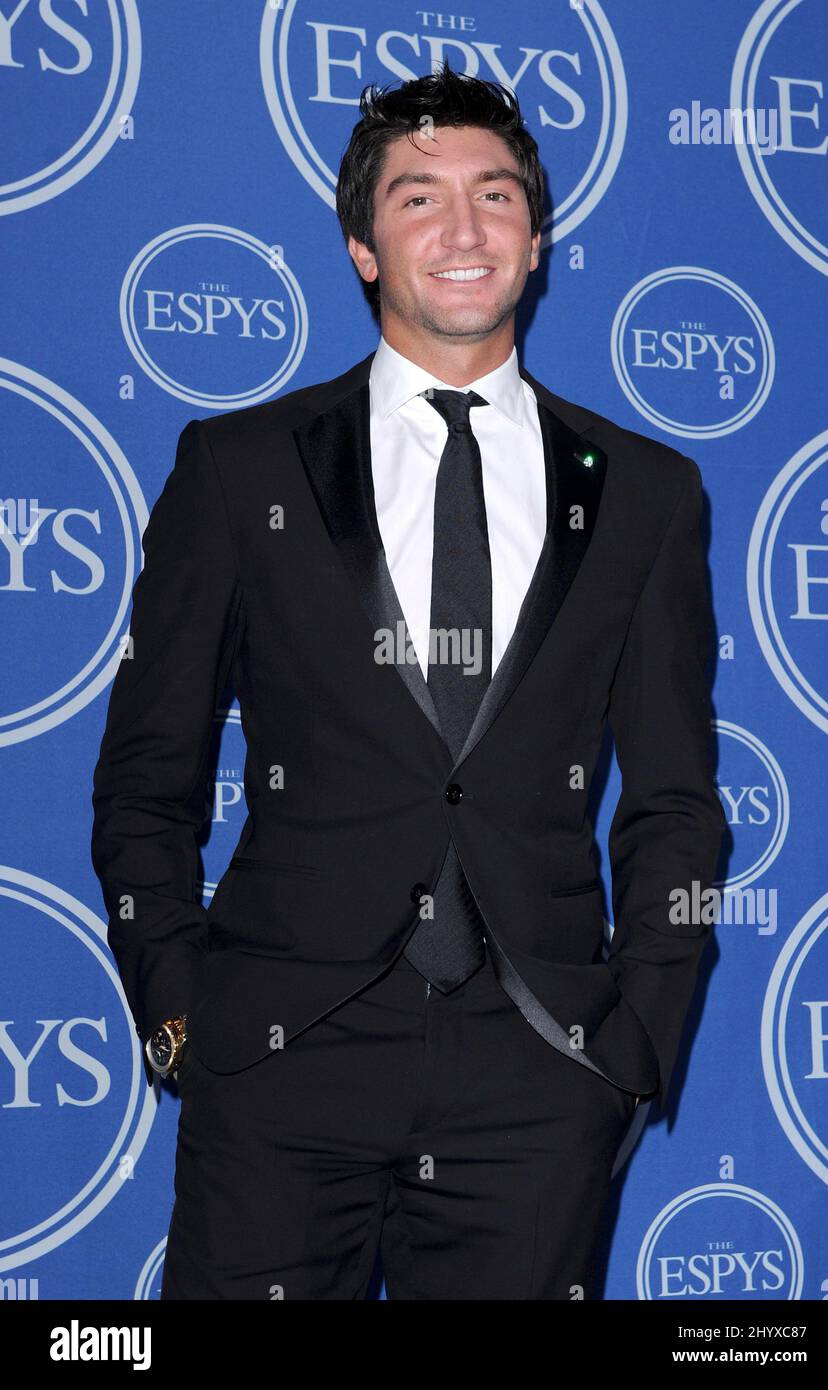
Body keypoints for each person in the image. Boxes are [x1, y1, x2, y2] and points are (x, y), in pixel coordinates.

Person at [91, 60, 726, 1300]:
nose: (461, 228)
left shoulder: (647, 494)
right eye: (417, 197)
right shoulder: (237, 467)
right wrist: (181, 1015)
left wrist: (638, 1036)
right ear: (362, 247)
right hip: (282, 1055)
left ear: (534, 242)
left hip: (536, 1067)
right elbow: (145, 778)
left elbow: (675, 804)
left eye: (493, 197)